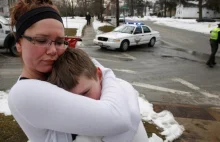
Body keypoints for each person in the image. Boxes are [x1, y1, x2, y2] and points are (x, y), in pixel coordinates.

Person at [8, 0, 136, 142]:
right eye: (41, 40)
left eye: (59, 42)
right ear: (18, 44)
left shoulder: (56, 72)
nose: (52, 51)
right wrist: (108, 75)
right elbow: (119, 118)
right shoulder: (24, 92)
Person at [47, 48, 149, 142]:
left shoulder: (122, 111)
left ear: (99, 75)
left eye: (85, 93)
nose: (82, 104)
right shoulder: (120, 90)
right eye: (72, 99)